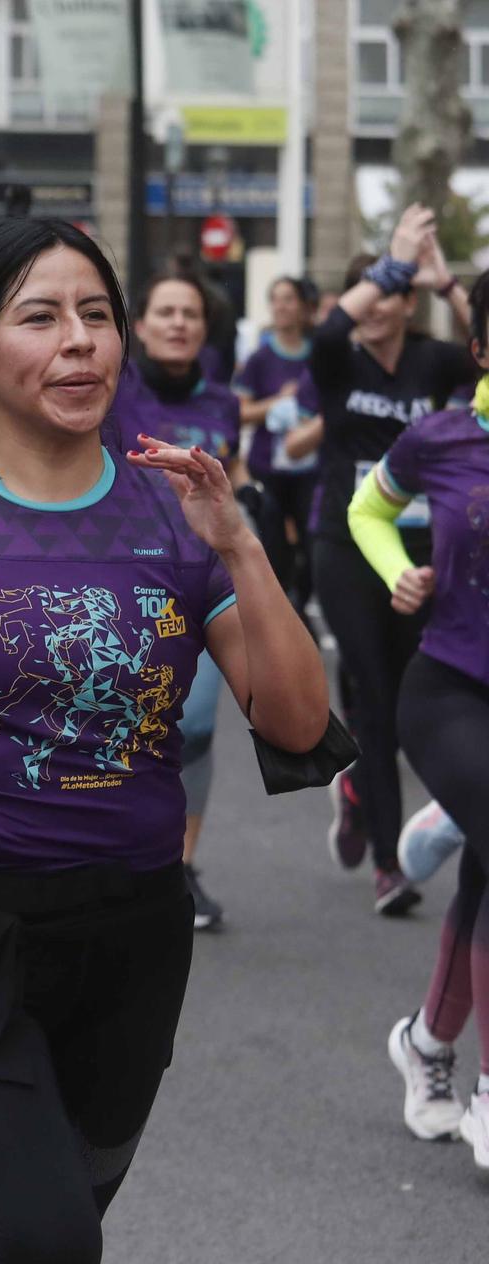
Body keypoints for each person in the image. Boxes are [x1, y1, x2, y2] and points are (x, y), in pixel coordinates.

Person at [0, 216, 327, 1262]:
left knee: (60, 1226)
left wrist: (242, 548)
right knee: (45, 1239)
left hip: (131, 936)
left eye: (96, 315)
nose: (79, 340)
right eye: (40, 317)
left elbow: (294, 723)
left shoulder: (177, 516)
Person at [349, 270, 489, 1169]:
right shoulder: (441, 438)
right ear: (480, 349)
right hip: (450, 691)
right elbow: (369, 508)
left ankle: (428, 1046)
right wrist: (396, 567)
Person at [309, 204, 476, 910]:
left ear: (409, 306)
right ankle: (389, 864)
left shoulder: (436, 361)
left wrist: (445, 283)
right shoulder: (339, 363)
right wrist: (390, 264)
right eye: (369, 295)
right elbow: (328, 327)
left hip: (426, 554)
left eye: (390, 297)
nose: (376, 308)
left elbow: (485, 341)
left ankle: (357, 787)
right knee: (375, 697)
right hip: (348, 546)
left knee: (419, 697)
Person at [114, 264, 245, 930]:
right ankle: (117, 853)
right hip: (115, 582)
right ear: (139, 326)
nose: (178, 323)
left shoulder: (222, 402)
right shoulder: (113, 390)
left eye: (189, 313)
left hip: (200, 582)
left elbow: (234, 478)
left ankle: (180, 866)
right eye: (164, 312)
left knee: (192, 726)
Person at [233, 277, 321, 615]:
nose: (282, 307)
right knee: (274, 549)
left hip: (312, 469)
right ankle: (281, 611)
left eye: (289, 299)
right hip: (267, 468)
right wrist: (276, 402)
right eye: (276, 300)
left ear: (303, 307)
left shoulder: (319, 357)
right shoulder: (260, 358)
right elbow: (239, 413)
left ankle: (301, 602)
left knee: (315, 547)